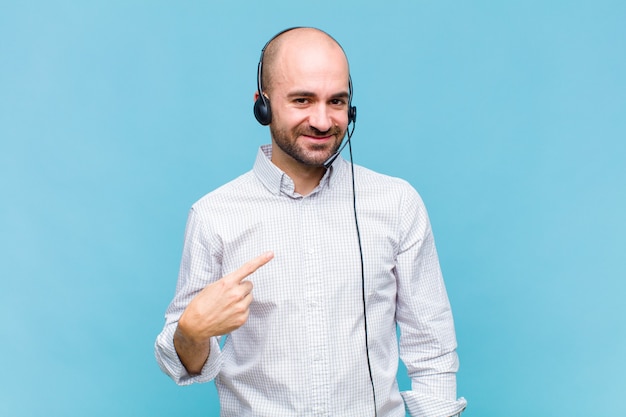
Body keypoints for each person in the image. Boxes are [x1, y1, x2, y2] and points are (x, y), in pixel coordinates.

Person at [155, 27, 467, 417]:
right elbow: (179, 357)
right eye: (302, 99)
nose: (322, 121)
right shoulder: (214, 215)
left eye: (336, 101)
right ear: (262, 105)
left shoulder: (396, 203)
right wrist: (192, 333)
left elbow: (432, 346)